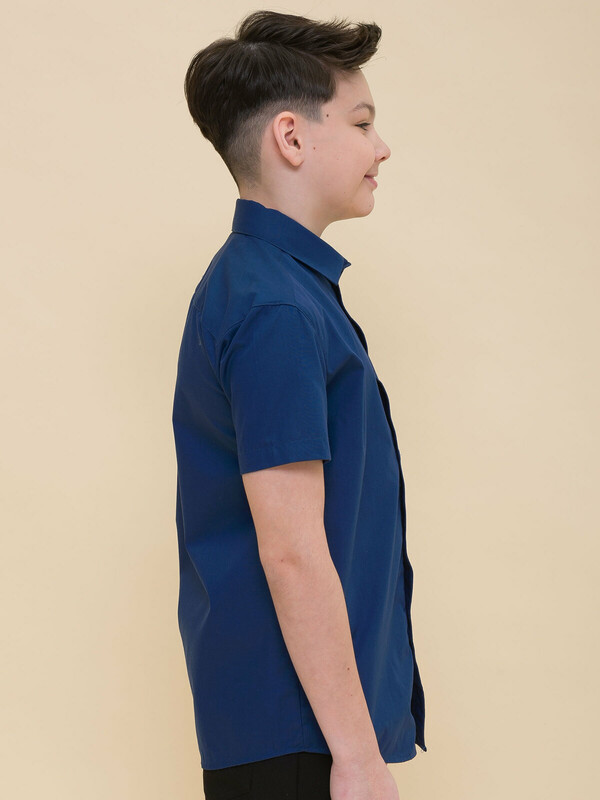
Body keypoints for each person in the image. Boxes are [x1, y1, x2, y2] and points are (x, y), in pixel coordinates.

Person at [172, 9, 427, 800]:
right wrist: (356, 756)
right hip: (299, 735)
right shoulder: (275, 306)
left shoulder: (278, 290)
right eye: (362, 122)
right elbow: (290, 547)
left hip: (294, 726)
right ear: (291, 137)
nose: (381, 147)